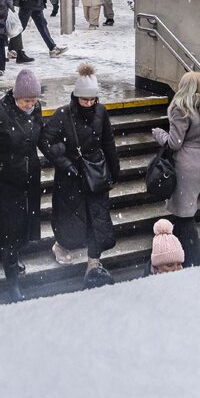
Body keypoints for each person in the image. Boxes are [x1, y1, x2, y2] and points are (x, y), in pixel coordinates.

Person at [39, 63, 119, 288]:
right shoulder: (63, 115)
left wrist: (114, 170)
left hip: (95, 174)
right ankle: (61, 245)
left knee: (98, 218)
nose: (89, 104)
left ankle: (94, 261)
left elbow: (108, 142)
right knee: (70, 218)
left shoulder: (101, 112)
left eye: (92, 100)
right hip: (71, 177)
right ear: (76, 97)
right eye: (85, 100)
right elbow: (45, 139)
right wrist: (63, 161)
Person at [0, 69, 44, 302]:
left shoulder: (36, 110)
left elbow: (40, 138)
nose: (30, 105)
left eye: (33, 101)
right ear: (15, 96)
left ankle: (14, 260)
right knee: (9, 232)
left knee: (24, 227)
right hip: (3, 183)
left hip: (29, 179)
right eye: (26, 101)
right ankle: (11, 280)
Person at [152, 71, 200, 268]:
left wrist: (159, 134)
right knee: (184, 209)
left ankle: (192, 260)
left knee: (185, 213)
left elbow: (174, 143)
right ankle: (173, 253)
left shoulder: (181, 108)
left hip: (186, 165)